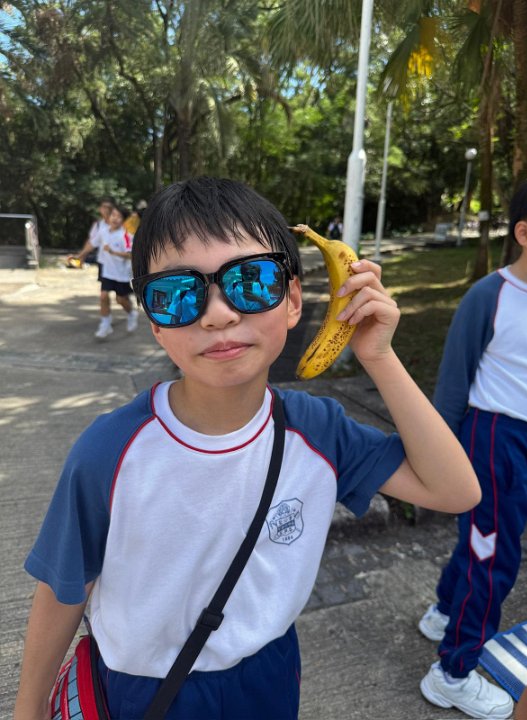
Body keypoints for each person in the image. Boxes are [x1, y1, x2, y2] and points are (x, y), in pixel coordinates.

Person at [14, 177, 480, 720]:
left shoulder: (320, 431)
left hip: (268, 675)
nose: (218, 314)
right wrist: (29, 709)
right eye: (177, 293)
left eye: (250, 280)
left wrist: (379, 357)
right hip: (140, 688)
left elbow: (455, 491)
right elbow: (63, 588)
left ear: (292, 300)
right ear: (155, 323)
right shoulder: (109, 451)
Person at [418, 175, 527, 720]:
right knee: (494, 560)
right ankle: (452, 673)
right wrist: (433, 461)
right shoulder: (490, 296)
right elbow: (452, 386)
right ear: (525, 234)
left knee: (484, 543)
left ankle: (446, 610)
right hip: (493, 441)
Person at [93, 204, 138, 339]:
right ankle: (105, 325)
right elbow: (93, 243)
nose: (115, 218)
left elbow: (130, 254)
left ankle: (131, 314)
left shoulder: (126, 236)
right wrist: (81, 255)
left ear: (123, 220)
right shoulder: (103, 231)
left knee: (120, 299)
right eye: (113, 215)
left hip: (121, 274)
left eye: (119, 217)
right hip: (107, 272)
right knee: (103, 296)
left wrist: (113, 252)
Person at [67, 197, 115, 276]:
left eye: (108, 208)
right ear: (100, 209)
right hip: (103, 260)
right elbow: (91, 242)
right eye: (104, 207)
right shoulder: (98, 225)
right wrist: (80, 257)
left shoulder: (120, 225)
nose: (106, 210)